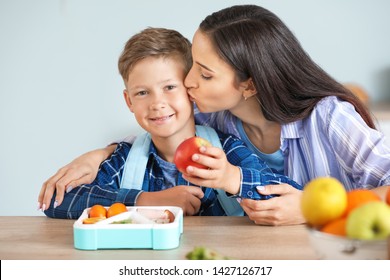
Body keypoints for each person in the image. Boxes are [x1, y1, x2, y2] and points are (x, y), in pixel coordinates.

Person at [39, 5, 390, 225]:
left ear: (249, 86)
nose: (187, 83)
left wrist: (317, 208)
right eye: (193, 66)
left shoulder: (329, 117)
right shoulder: (218, 117)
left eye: (204, 75)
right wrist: (101, 154)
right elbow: (161, 130)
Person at [39, 27, 302, 219]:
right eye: (142, 93)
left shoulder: (226, 150)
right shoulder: (124, 159)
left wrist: (229, 178)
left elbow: (284, 191)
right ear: (129, 101)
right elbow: (56, 202)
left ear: (190, 90)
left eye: (169, 87)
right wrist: (145, 201)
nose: (157, 103)